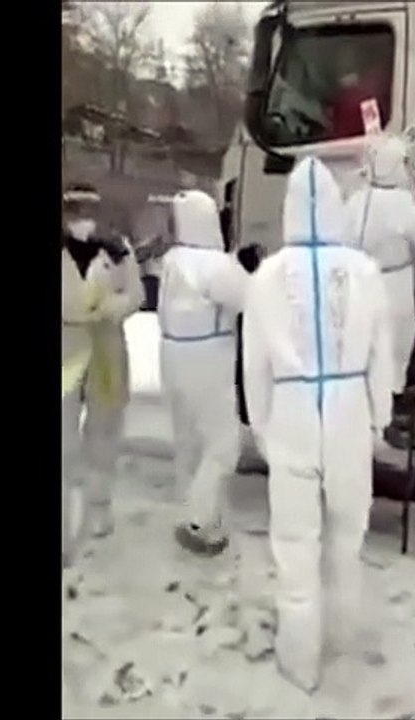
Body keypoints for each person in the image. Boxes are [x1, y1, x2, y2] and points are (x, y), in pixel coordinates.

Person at [242, 157, 395, 692]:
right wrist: (382, 416)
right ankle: (343, 640)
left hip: (292, 417)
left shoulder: (265, 278)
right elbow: (384, 355)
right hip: (350, 411)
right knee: (346, 535)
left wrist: (262, 427)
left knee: (294, 541)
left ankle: (299, 658)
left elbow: (253, 365)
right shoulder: (365, 272)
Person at [158, 190, 261, 556]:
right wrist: (246, 267)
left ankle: (193, 510)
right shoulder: (216, 266)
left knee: (187, 441)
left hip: (172, 356)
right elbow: (250, 298)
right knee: (222, 445)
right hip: (208, 359)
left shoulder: (174, 260)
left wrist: (234, 262)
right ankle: (198, 519)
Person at [61, 184, 144, 569]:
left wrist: (114, 305)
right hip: (66, 344)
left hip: (106, 346)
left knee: (104, 427)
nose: (82, 216)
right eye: (75, 208)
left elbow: (137, 294)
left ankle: (99, 504)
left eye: (88, 208)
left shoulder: (117, 249)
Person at [343, 135, 415, 409]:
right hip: (394, 289)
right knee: (392, 362)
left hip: (358, 288)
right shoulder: (405, 207)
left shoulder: (355, 201)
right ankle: (385, 414)